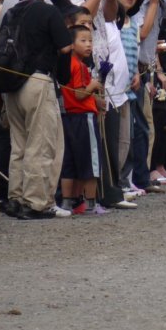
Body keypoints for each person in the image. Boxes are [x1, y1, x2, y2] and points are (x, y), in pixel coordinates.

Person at [0, 0, 72, 220]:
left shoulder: (11, 11)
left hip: (11, 82)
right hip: (38, 80)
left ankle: (16, 198)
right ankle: (37, 201)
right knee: (41, 143)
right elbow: (65, 47)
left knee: (19, 144)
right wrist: (64, 78)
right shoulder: (46, 10)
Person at [58, 25, 105, 214]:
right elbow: (79, 94)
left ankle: (68, 202)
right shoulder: (79, 66)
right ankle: (91, 202)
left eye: (90, 41)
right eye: (83, 41)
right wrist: (93, 85)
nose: (88, 45)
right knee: (91, 160)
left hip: (68, 116)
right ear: (72, 44)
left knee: (69, 160)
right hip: (83, 116)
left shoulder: (66, 64)